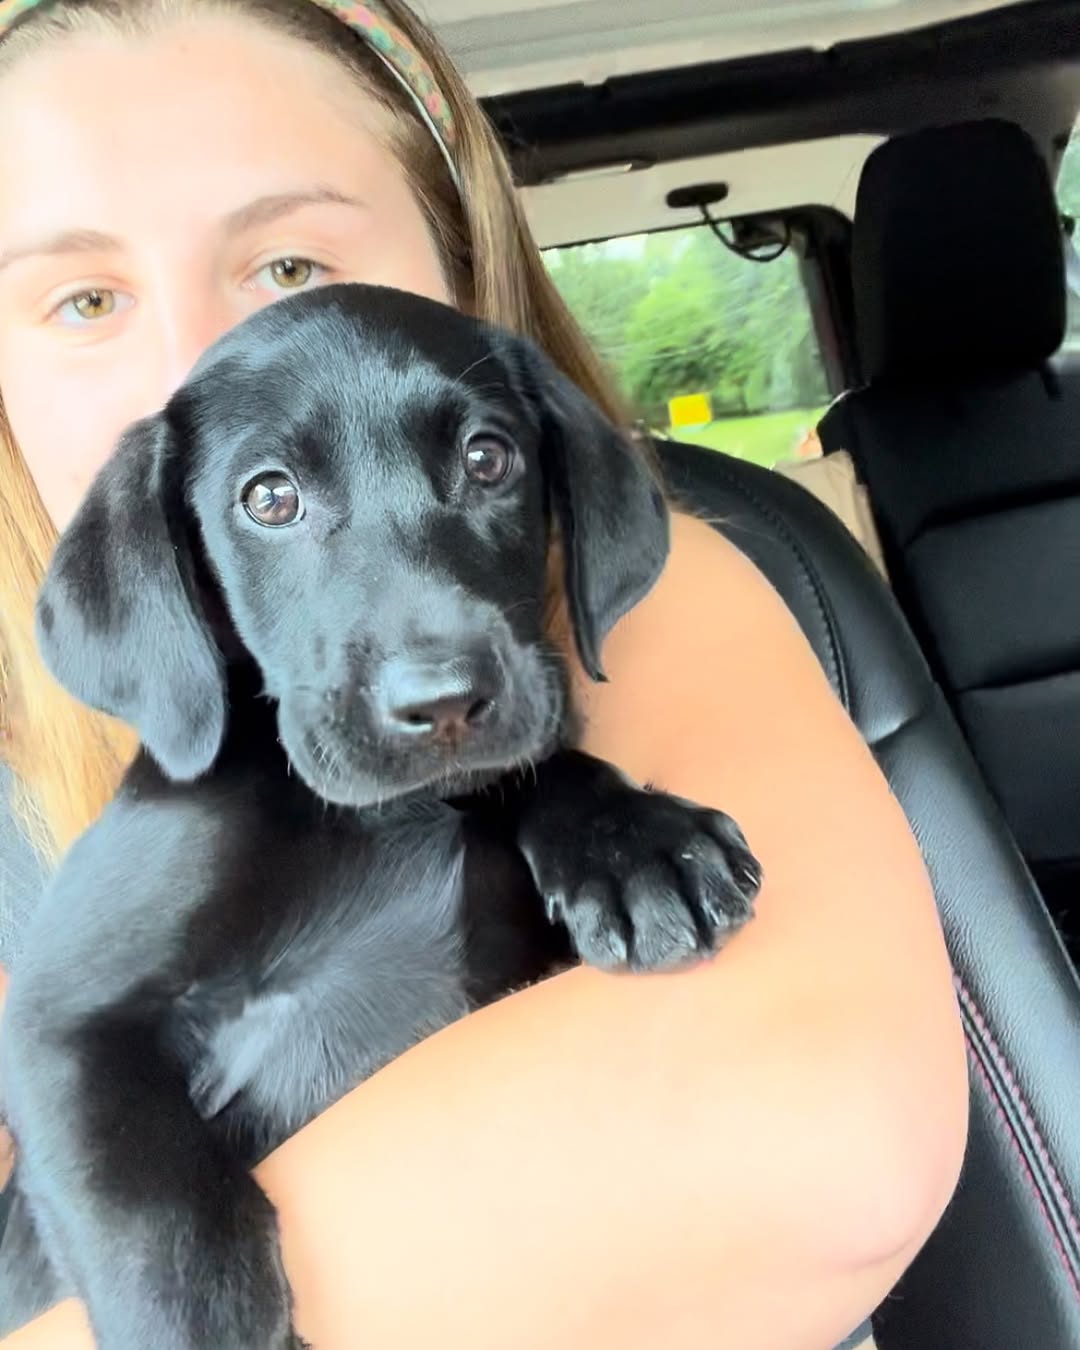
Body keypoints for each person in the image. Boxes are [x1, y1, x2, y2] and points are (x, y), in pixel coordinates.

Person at [0, 1, 968, 1346]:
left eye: (289, 266)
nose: (195, 364)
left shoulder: (632, 596)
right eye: (86, 300)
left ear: (456, 269)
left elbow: (822, 1134)